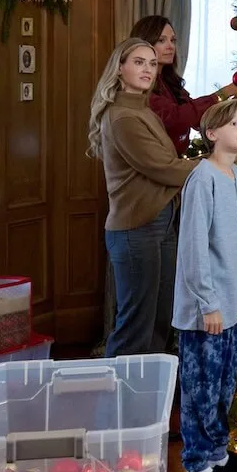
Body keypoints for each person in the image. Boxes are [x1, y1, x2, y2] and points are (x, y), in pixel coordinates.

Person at [172, 99, 237, 472]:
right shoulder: (202, 178)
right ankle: (198, 469)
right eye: (235, 124)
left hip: (230, 301)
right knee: (201, 388)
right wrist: (207, 301)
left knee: (224, 383)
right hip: (204, 308)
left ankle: (218, 455)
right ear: (212, 133)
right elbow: (193, 246)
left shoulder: (234, 176)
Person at [88, 37, 197, 357]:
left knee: (161, 321)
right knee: (136, 325)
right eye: (138, 62)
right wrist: (214, 165)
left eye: (152, 63)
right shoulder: (122, 116)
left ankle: (147, 398)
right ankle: (115, 402)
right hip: (137, 229)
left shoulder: (143, 109)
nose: (148, 69)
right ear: (120, 69)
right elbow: (162, 167)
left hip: (161, 221)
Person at [130, 15, 237, 157]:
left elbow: (197, 119)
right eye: (161, 40)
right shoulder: (141, 84)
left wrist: (232, 103)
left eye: (173, 40)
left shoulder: (170, 82)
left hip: (177, 159)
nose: (170, 46)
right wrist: (225, 92)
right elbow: (178, 117)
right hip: (158, 165)